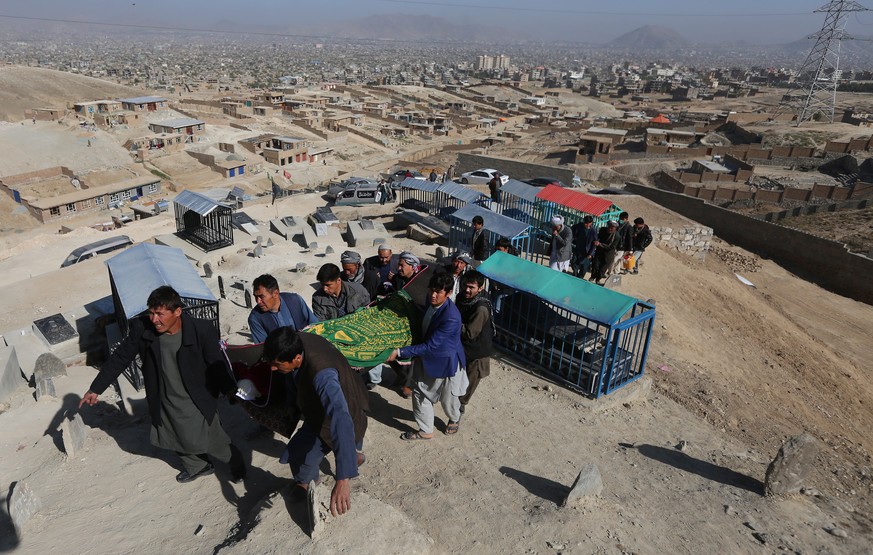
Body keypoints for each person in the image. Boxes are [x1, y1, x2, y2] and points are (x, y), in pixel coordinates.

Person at [79, 286, 244, 484]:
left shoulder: (201, 329)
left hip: (194, 394)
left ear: (177, 312)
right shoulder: (142, 328)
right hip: (163, 394)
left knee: (210, 435)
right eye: (151, 312)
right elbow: (121, 357)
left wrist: (229, 389)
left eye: (160, 314)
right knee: (172, 433)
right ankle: (198, 466)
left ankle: (236, 463)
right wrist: (96, 388)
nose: (154, 319)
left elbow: (215, 362)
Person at [263, 327, 369, 516]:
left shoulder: (322, 375)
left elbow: (340, 417)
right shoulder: (296, 340)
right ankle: (349, 457)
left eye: (277, 364)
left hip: (342, 412)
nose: (272, 369)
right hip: (327, 404)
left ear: (296, 359)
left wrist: (343, 478)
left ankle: (308, 483)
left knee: (301, 453)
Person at [386, 273, 467, 440]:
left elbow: (430, 346)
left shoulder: (451, 317)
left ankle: (454, 418)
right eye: (431, 290)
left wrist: (399, 352)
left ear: (449, 293)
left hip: (445, 363)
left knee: (448, 399)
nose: (433, 295)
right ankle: (425, 430)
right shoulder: (431, 302)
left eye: (438, 292)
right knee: (419, 393)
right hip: (427, 360)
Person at [456, 271, 494, 415]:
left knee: (470, 380)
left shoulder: (481, 308)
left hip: (477, 350)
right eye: (465, 286)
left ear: (480, 289)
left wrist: (451, 323)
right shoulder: (462, 297)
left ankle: (461, 405)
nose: (467, 290)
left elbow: (470, 333)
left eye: (471, 287)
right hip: (463, 346)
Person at [248, 274, 318, 344]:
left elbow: (315, 325)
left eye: (261, 296)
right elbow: (263, 348)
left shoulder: (295, 300)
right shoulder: (255, 319)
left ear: (275, 293)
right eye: (256, 297)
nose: (258, 301)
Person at [590, 220, 619, 284]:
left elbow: (611, 247)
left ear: (615, 229)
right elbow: (598, 237)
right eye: (609, 227)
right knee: (595, 265)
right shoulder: (602, 230)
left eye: (612, 228)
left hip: (608, 254)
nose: (610, 229)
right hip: (599, 252)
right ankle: (592, 277)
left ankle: (598, 279)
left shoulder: (617, 236)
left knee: (603, 268)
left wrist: (600, 244)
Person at [610, 212, 633, 277]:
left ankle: (610, 271)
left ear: (626, 219)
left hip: (622, 246)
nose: (621, 220)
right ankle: (617, 271)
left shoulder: (629, 227)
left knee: (615, 259)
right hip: (616, 244)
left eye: (622, 219)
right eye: (620, 218)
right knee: (617, 259)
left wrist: (630, 249)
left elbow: (630, 238)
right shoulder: (618, 224)